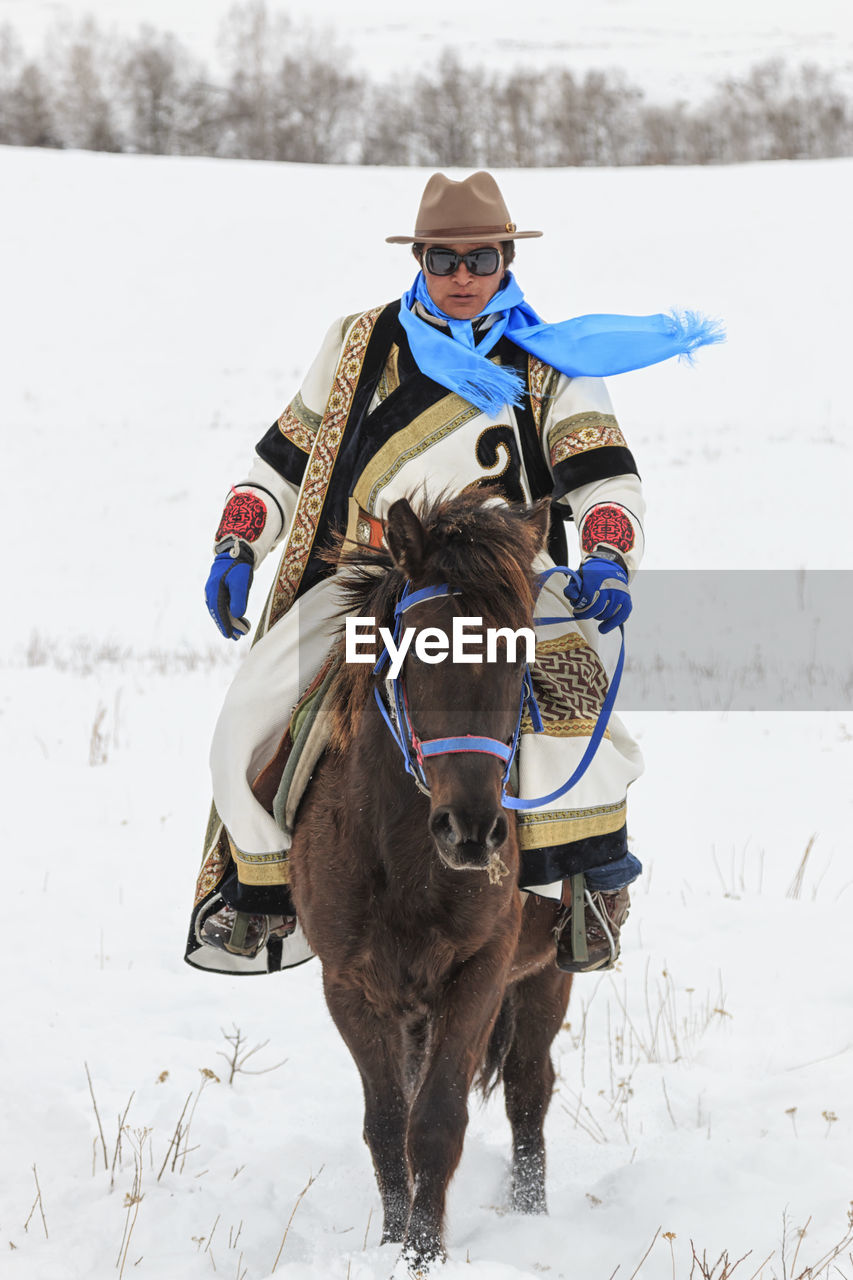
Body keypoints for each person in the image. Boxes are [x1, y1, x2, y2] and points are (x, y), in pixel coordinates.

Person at [185, 171, 721, 977]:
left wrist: (608, 555)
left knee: (579, 716)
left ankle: (587, 891)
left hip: (509, 582)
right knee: (248, 721)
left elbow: (605, 478)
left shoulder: (551, 360)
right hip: (380, 578)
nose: (463, 277)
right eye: (444, 260)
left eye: (481, 259)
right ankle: (262, 893)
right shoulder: (357, 342)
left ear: (507, 259)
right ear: (420, 260)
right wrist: (238, 542)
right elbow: (283, 464)